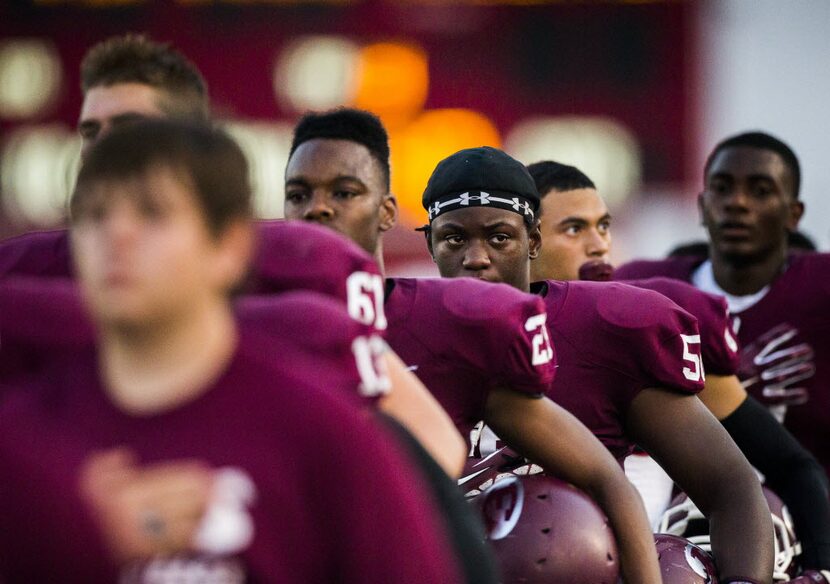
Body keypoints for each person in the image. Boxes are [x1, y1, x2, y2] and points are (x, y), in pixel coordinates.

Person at [0, 119, 463, 582]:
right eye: (95, 214)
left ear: (230, 245)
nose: (116, 235)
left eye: (152, 213)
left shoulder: (321, 434)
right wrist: (71, 535)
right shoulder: (23, 438)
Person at [0, 32, 468, 479]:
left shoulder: (296, 300)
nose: (105, 149)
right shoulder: (24, 283)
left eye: (129, 130)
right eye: (90, 131)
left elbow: (433, 449)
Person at [281, 107, 687, 583]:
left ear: (387, 210)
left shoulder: (457, 324)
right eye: (298, 194)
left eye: (344, 192)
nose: (318, 209)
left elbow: (610, 478)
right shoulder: (244, 325)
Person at [419, 144, 775, 583]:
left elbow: (731, 489)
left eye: (499, 237)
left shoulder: (606, 329)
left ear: (532, 241)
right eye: (455, 238)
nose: (476, 258)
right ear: (430, 244)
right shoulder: (390, 334)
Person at [528, 159, 830, 572]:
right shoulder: (454, 331)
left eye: (603, 226)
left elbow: (785, 465)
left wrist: (822, 569)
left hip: (643, 547)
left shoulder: (638, 320)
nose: (599, 245)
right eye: (574, 228)